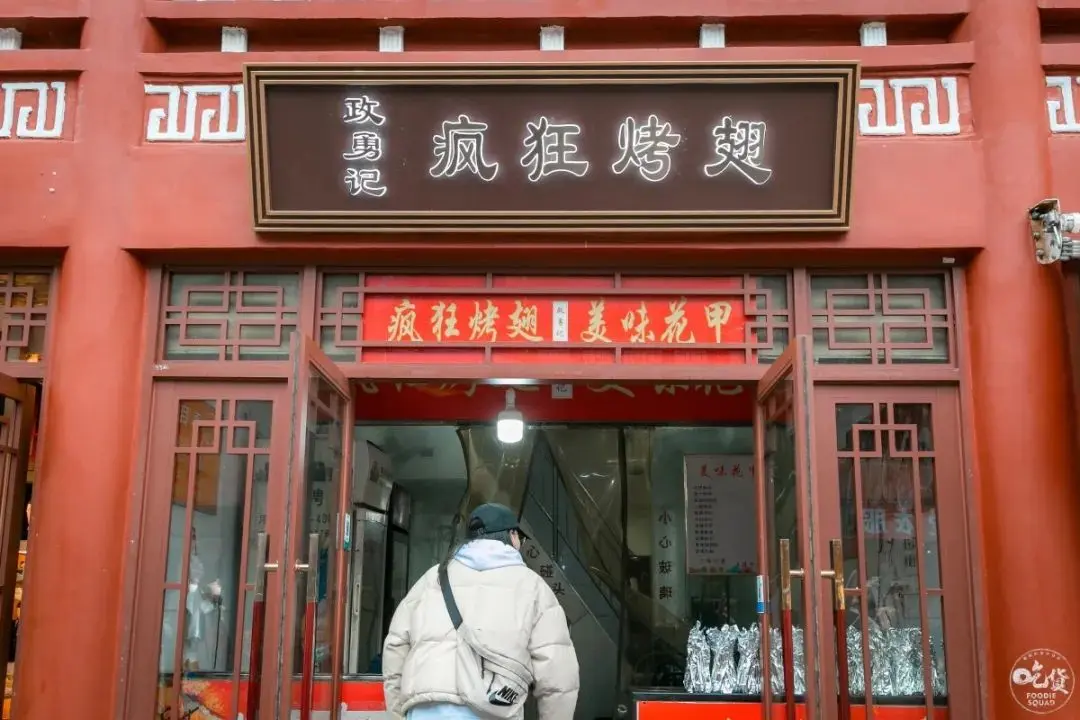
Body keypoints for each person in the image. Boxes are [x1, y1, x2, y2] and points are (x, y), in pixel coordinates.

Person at [382, 503, 579, 719]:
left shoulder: (431, 579)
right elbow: (558, 675)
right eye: (519, 537)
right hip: (491, 710)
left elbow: (395, 645)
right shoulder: (533, 587)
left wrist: (397, 712)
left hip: (424, 712)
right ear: (511, 535)